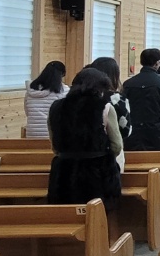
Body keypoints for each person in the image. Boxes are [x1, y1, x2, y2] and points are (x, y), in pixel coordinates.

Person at [47, 66, 122, 211]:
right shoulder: (105, 108)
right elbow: (117, 145)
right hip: (97, 172)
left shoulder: (56, 107)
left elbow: (54, 144)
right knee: (97, 214)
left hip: (64, 172)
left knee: (65, 213)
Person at [122, 48, 160, 151]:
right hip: (159, 135)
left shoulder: (128, 84)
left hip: (134, 135)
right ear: (157, 63)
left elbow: (124, 108)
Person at [89, 56, 131, 166]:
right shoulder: (117, 98)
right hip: (110, 152)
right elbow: (126, 129)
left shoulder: (82, 98)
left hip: (83, 152)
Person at [23, 61, 67, 139]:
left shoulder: (30, 91)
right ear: (61, 75)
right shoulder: (64, 90)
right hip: (53, 135)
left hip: (32, 134)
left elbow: (27, 112)